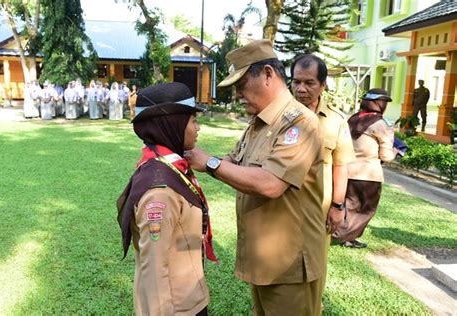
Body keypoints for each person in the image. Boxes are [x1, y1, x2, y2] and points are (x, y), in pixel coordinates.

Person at [185, 39, 325, 315]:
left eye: (241, 85)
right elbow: (233, 162)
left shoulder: (299, 122)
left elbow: (271, 184)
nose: (238, 95)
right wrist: (187, 159)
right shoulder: (258, 123)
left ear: (268, 75)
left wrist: (209, 162)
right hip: (264, 259)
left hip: (290, 265)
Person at [117, 82, 214, 315]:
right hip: (177, 308)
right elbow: (154, 270)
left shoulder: (168, 167)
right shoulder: (159, 191)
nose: (198, 129)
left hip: (189, 298)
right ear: (173, 124)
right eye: (193, 121)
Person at [290, 54, 355, 299]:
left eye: (309, 83)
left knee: (315, 268)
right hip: (281, 206)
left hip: (319, 209)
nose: (301, 89)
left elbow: (341, 166)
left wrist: (337, 206)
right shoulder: (279, 116)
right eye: (296, 82)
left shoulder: (335, 122)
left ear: (323, 85)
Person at [332, 88, 396, 248]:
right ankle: (340, 236)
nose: (384, 105)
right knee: (364, 209)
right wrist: (396, 151)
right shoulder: (381, 124)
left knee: (348, 206)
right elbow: (386, 156)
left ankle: (345, 237)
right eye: (384, 102)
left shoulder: (353, 118)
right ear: (376, 103)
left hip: (346, 171)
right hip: (368, 175)